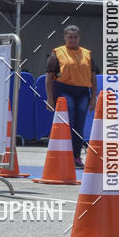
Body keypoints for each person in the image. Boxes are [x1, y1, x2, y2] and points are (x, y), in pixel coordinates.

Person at [45, 25, 98, 167]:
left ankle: (76, 156)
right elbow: (49, 77)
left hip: (82, 92)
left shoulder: (87, 54)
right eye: (70, 37)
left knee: (79, 125)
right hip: (64, 90)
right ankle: (64, 155)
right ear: (65, 37)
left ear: (79, 38)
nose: (73, 40)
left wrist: (93, 98)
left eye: (75, 37)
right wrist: (50, 98)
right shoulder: (57, 53)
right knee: (68, 121)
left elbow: (93, 77)